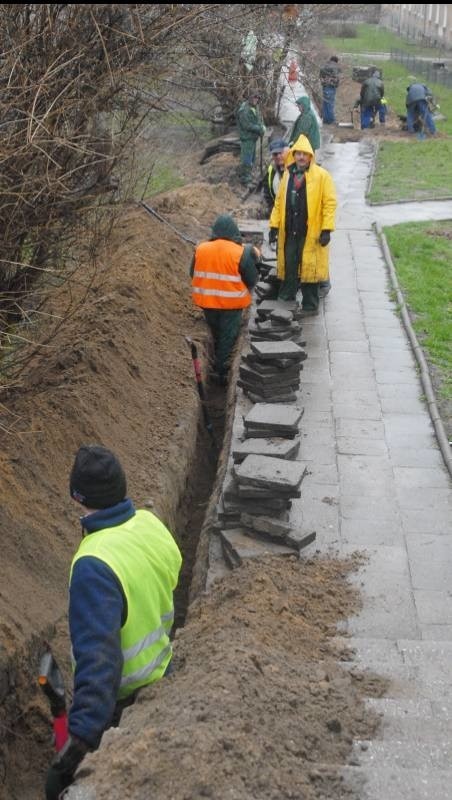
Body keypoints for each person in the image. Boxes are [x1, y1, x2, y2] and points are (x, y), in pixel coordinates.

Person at [45, 445, 182, 800]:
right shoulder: (150, 524)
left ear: (79, 498)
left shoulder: (93, 563)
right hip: (165, 673)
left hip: (124, 703)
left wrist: (78, 744)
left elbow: (99, 663)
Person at [268, 134, 337, 314]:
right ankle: (286, 299)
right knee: (289, 265)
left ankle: (310, 305)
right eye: (298, 153)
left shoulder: (322, 176)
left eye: (304, 154)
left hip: (310, 232)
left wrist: (326, 229)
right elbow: (279, 202)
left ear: (310, 156)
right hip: (290, 230)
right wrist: (274, 227)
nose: (301, 157)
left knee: (309, 269)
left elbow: (329, 204)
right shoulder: (287, 175)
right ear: (293, 154)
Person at [190, 214, 259, 384]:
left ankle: (215, 364)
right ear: (234, 232)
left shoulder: (201, 249)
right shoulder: (240, 252)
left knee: (215, 332)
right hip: (231, 305)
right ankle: (220, 372)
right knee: (227, 338)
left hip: (207, 303)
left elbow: (193, 273)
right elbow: (252, 279)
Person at [236, 91, 266, 186]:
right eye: (254, 98)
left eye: (257, 98)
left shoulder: (255, 107)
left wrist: (262, 126)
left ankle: (247, 176)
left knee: (252, 159)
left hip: (253, 138)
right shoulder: (244, 110)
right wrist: (259, 129)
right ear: (249, 98)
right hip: (247, 138)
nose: (255, 100)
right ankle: (245, 179)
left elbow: (259, 119)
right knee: (247, 159)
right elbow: (247, 125)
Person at [263, 138, 290, 212]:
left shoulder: (294, 168)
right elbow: (267, 191)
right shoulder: (271, 170)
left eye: (280, 153)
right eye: (275, 154)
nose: (278, 156)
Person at [319, 55, 340, 124]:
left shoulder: (324, 66)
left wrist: (324, 82)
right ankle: (331, 120)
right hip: (331, 86)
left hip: (324, 86)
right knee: (330, 103)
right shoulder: (335, 67)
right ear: (336, 61)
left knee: (325, 103)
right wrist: (336, 84)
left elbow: (320, 76)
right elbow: (337, 78)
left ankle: (325, 120)